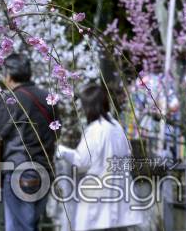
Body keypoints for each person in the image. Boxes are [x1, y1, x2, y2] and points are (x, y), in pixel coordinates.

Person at [0, 53, 59, 231]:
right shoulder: (48, 99)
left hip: (21, 171)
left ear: (8, 75)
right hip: (45, 170)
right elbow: (57, 131)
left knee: (20, 227)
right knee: (30, 224)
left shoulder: (14, 99)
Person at [57, 83, 145, 230]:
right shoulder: (116, 126)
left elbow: (81, 161)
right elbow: (128, 155)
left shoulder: (95, 130)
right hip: (120, 191)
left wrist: (62, 151)